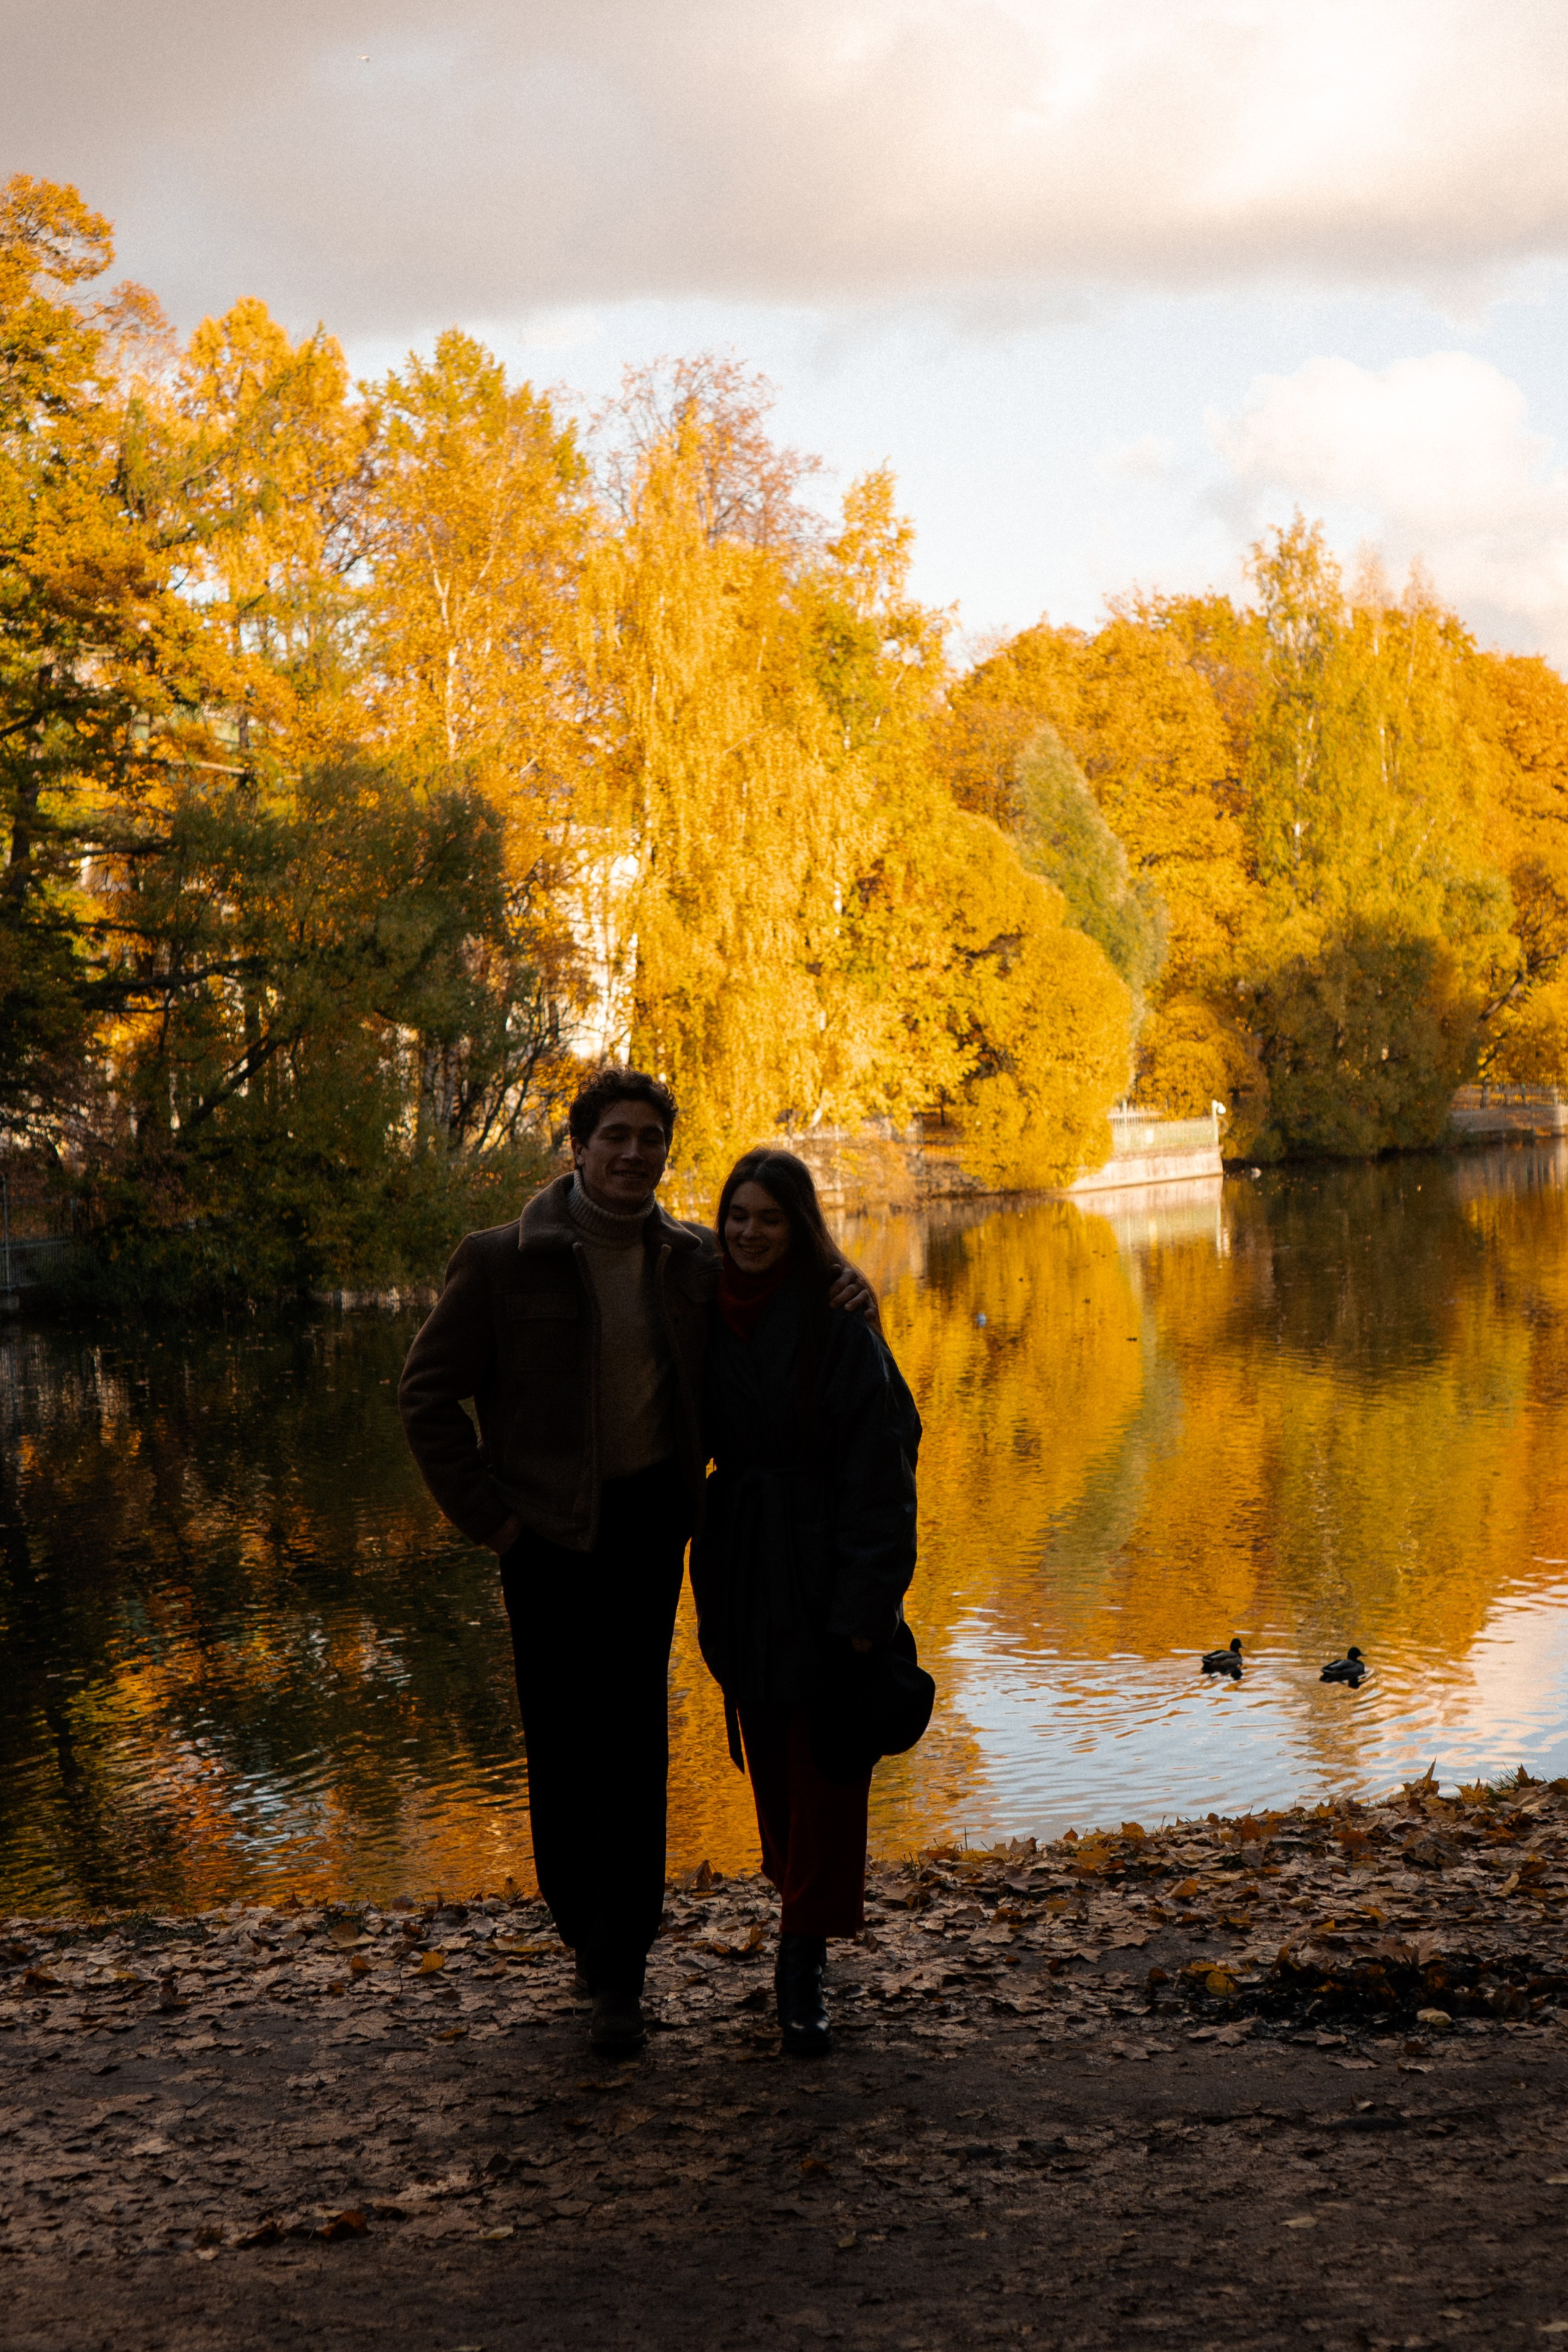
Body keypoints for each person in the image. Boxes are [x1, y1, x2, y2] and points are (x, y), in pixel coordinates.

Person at [397, 1068, 872, 2056]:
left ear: (665, 1152)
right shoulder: (499, 1262)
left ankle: (623, 1968)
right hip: (542, 1540)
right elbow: (426, 1401)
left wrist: (848, 1284)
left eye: (650, 1139)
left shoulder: (688, 1259)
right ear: (576, 1148)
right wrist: (493, 1522)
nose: (632, 1155)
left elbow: (769, 1282)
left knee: (636, 1746)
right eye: (614, 1136)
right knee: (564, 1749)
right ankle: (586, 1934)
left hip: (652, 1531)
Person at [689, 1149, 921, 2057]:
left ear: (800, 1226)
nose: (750, 1232)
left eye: (769, 1219)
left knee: (825, 1764)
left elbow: (885, 1467)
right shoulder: (702, 1308)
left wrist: (867, 1608)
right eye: (737, 1216)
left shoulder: (838, 1322)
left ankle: (802, 1960)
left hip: (825, 1565)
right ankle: (797, 1913)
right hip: (745, 1567)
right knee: (777, 1773)